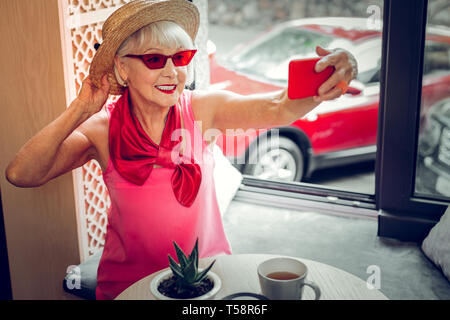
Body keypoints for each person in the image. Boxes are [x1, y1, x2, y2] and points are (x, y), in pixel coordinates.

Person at [5, 0, 358, 300]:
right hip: (130, 285)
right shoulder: (102, 128)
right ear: (122, 68)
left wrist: (329, 76)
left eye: (181, 56)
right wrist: (81, 107)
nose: (173, 71)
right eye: (155, 60)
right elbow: (22, 174)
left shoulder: (204, 109)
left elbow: (278, 107)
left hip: (209, 278)